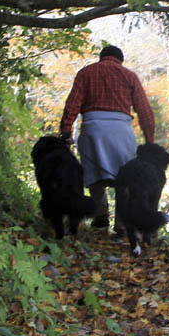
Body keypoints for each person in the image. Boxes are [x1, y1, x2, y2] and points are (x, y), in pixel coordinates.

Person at [59, 45, 156, 230]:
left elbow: (72, 104)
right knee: (125, 177)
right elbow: (144, 111)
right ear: (120, 60)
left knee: (94, 174)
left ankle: (101, 214)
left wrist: (66, 131)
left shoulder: (86, 73)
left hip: (92, 129)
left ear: (101, 57)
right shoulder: (130, 76)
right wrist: (149, 140)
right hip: (122, 131)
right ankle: (121, 223)